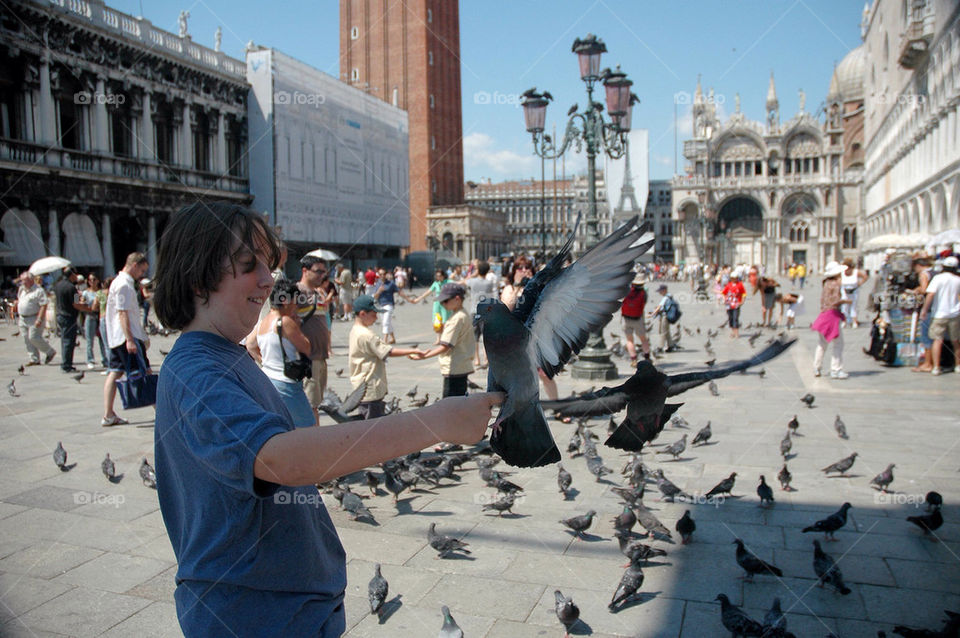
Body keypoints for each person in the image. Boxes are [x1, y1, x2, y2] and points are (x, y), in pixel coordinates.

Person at [151, 201, 499, 637]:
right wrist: (436, 423)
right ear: (198, 275)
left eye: (269, 264)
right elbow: (281, 460)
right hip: (253, 614)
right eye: (248, 265)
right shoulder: (196, 371)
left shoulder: (226, 354)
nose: (268, 278)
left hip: (285, 609)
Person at [246, 278, 316, 428]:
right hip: (287, 382)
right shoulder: (284, 322)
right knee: (308, 425)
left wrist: (264, 362)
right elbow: (306, 347)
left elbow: (250, 345)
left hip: (268, 379)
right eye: (294, 301)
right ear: (284, 300)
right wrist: (297, 325)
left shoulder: (262, 322)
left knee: (281, 425)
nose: (296, 306)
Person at [349, 295, 424, 418]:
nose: (376, 317)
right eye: (374, 314)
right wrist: (412, 351)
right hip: (370, 387)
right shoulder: (366, 335)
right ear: (362, 314)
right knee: (372, 427)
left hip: (361, 388)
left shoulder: (355, 330)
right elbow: (388, 351)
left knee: (367, 425)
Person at [102, 252, 151, 426]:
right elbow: (122, 313)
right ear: (134, 265)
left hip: (119, 336)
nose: (142, 275)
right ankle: (161, 412)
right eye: (142, 270)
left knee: (115, 371)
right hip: (126, 337)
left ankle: (108, 414)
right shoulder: (123, 284)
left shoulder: (120, 282)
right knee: (145, 372)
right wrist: (130, 339)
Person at [409, 283, 476, 396]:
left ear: (457, 299)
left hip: (454, 367)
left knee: (450, 405)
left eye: (445, 301)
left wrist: (424, 356)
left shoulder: (457, 318)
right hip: (461, 365)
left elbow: (445, 346)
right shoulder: (462, 314)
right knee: (458, 402)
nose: (442, 304)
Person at [297, 256, 332, 421]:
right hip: (308, 360)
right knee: (309, 408)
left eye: (324, 272)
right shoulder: (297, 292)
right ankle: (313, 442)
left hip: (321, 357)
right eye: (318, 271)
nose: (322, 276)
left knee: (315, 404)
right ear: (305, 271)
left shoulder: (317, 293)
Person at [919, 255, 960, 376]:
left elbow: (930, 294)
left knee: (937, 340)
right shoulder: (958, 279)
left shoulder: (938, 278)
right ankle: (958, 365)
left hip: (939, 313)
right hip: (955, 313)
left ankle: (936, 367)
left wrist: (924, 310)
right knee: (956, 340)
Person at [810, 261, 847, 379]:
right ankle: (836, 369)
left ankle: (816, 367)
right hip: (832, 315)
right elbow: (835, 301)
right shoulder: (836, 284)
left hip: (823, 315)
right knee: (838, 343)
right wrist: (846, 301)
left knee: (822, 343)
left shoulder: (825, 283)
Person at [13, 271, 56, 366]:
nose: (23, 282)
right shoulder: (21, 289)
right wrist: (17, 303)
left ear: (31, 280)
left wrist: (39, 319)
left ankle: (50, 351)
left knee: (33, 337)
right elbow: (21, 299)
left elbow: (44, 305)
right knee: (26, 338)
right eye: (22, 280)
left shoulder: (38, 290)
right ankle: (34, 358)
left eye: (25, 280)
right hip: (23, 318)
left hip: (34, 317)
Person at [465, 261, 497, 368]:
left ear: (478, 270)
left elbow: (465, 281)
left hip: (474, 311)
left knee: (475, 337)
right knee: (486, 336)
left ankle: (477, 359)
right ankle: (486, 358)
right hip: (486, 312)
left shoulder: (472, 281)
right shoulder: (489, 283)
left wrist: (473, 273)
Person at [53, 267, 85, 372]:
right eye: (75, 275)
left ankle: (66, 362)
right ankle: (66, 364)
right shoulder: (72, 288)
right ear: (72, 275)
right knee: (69, 341)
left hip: (60, 315)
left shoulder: (58, 285)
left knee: (64, 339)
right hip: (69, 316)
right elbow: (76, 304)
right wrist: (87, 308)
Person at [373, 271, 414, 345]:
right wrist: (379, 291)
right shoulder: (377, 284)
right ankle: (393, 338)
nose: (382, 275)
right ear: (378, 275)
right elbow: (375, 297)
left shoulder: (391, 283)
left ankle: (384, 340)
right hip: (380, 305)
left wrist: (408, 299)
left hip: (389, 305)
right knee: (386, 322)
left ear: (386, 274)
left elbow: (399, 292)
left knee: (386, 322)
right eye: (380, 274)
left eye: (384, 274)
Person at [910, 255, 935, 372]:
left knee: (926, 338)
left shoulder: (924, 274)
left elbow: (925, 289)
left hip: (928, 308)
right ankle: (933, 362)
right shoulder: (935, 272)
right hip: (936, 308)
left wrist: (916, 290)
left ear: (918, 266)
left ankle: (927, 363)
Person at [412, 269, 452, 341]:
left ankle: (445, 338)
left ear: (443, 276)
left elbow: (457, 284)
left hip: (445, 303)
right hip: (437, 304)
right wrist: (418, 299)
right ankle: (438, 339)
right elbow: (428, 292)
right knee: (437, 320)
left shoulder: (448, 282)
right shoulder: (435, 283)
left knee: (445, 321)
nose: (438, 277)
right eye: (437, 276)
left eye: (439, 276)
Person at [620, 273, 650, 365]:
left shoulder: (626, 291)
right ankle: (647, 359)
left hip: (626, 318)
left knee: (629, 340)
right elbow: (643, 305)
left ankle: (633, 360)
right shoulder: (644, 293)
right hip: (638, 319)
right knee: (643, 339)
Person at [81, 274, 108, 370]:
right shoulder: (85, 292)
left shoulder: (101, 292)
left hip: (100, 316)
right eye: (90, 280)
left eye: (94, 279)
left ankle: (105, 359)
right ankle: (90, 360)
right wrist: (85, 305)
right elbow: (80, 303)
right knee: (89, 340)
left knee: (103, 340)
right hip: (90, 316)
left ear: (98, 280)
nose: (92, 281)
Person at [840, 258, 869, 329]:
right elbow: (837, 279)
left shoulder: (856, 272)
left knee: (854, 306)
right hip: (845, 291)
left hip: (854, 291)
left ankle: (854, 321)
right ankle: (844, 321)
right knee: (844, 307)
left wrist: (860, 283)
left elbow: (865, 277)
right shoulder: (841, 272)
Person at [651, 284, 678, 353]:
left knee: (662, 332)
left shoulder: (665, 298)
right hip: (668, 316)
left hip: (665, 317)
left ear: (664, 290)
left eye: (660, 291)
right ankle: (670, 345)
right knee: (667, 331)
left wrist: (652, 314)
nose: (659, 293)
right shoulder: (670, 296)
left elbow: (659, 307)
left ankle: (660, 347)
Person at [721, 271, 747, 338]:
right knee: (730, 318)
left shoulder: (740, 285)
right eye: (732, 278)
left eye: (735, 278)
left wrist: (743, 301)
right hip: (729, 304)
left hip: (736, 304)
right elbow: (724, 293)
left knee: (735, 318)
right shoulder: (728, 285)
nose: (734, 279)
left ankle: (737, 332)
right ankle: (733, 331)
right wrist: (724, 300)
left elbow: (744, 293)